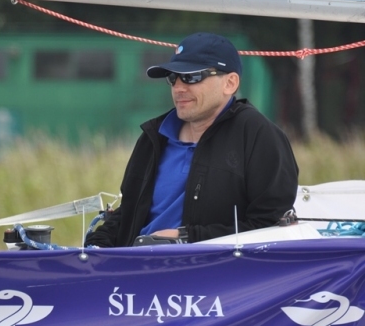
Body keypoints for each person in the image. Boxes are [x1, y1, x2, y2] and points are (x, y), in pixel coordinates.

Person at [85, 32, 299, 248]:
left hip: (211, 268)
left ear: (230, 83)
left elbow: (272, 227)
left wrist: (186, 239)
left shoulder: (259, 135)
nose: (178, 87)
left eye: (192, 77)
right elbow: (129, 212)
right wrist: (97, 246)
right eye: (172, 78)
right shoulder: (153, 136)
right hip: (136, 264)